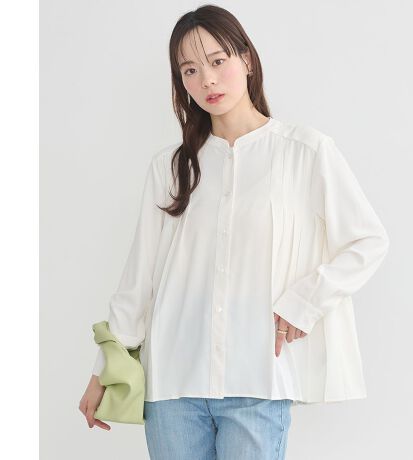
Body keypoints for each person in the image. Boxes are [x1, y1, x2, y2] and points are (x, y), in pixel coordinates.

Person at [79, 4, 389, 459]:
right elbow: (139, 279)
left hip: (258, 381)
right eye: (190, 70)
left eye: (217, 61)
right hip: (172, 384)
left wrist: (305, 302)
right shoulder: (171, 167)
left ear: (246, 59)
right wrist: (103, 369)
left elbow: (367, 241)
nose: (207, 80)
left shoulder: (305, 152)